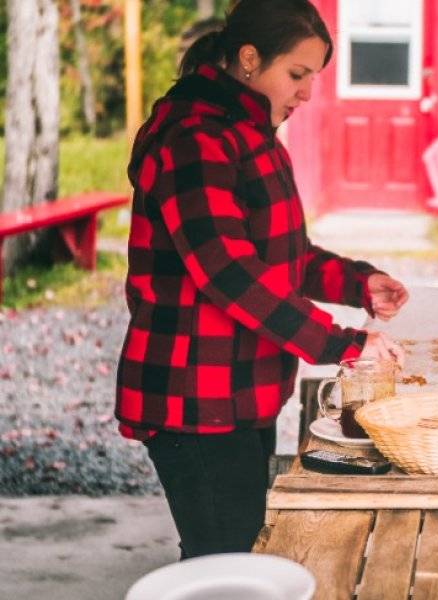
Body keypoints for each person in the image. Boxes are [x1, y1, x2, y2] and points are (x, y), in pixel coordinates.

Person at [115, 0, 409, 559]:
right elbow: (227, 271)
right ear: (249, 59)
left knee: (238, 550)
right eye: (296, 75)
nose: (306, 93)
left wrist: (357, 283)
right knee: (223, 558)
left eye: (313, 78)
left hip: (240, 390)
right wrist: (344, 343)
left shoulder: (251, 133)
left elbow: (280, 256)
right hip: (192, 396)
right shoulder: (194, 137)